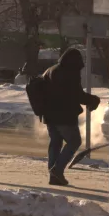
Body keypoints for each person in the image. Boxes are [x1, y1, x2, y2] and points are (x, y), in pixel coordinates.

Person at [41, 49, 100, 186]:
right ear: (75, 62)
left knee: (55, 143)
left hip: (49, 115)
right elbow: (77, 95)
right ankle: (58, 169)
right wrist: (93, 100)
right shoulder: (69, 72)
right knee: (74, 141)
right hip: (64, 115)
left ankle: (53, 176)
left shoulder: (51, 70)